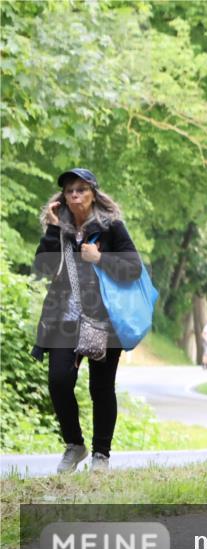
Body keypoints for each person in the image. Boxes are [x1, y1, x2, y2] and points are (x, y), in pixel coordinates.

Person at [30, 168, 142, 474]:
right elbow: (41, 268)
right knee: (58, 382)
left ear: (93, 192)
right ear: (63, 198)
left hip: (105, 320)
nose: (75, 195)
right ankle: (74, 445)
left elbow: (133, 268)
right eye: (69, 191)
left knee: (101, 388)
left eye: (81, 189)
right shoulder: (60, 230)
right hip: (64, 319)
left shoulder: (111, 227)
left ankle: (101, 455)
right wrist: (53, 229)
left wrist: (101, 258)